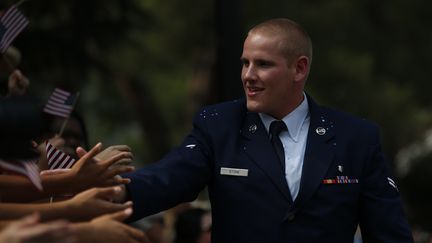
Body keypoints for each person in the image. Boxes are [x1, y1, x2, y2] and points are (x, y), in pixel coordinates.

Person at [117, 18, 413, 242]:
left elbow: (389, 233)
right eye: (245, 63)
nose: (248, 75)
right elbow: (169, 177)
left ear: (299, 68)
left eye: (262, 64)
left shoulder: (356, 137)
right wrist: (116, 190)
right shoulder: (219, 124)